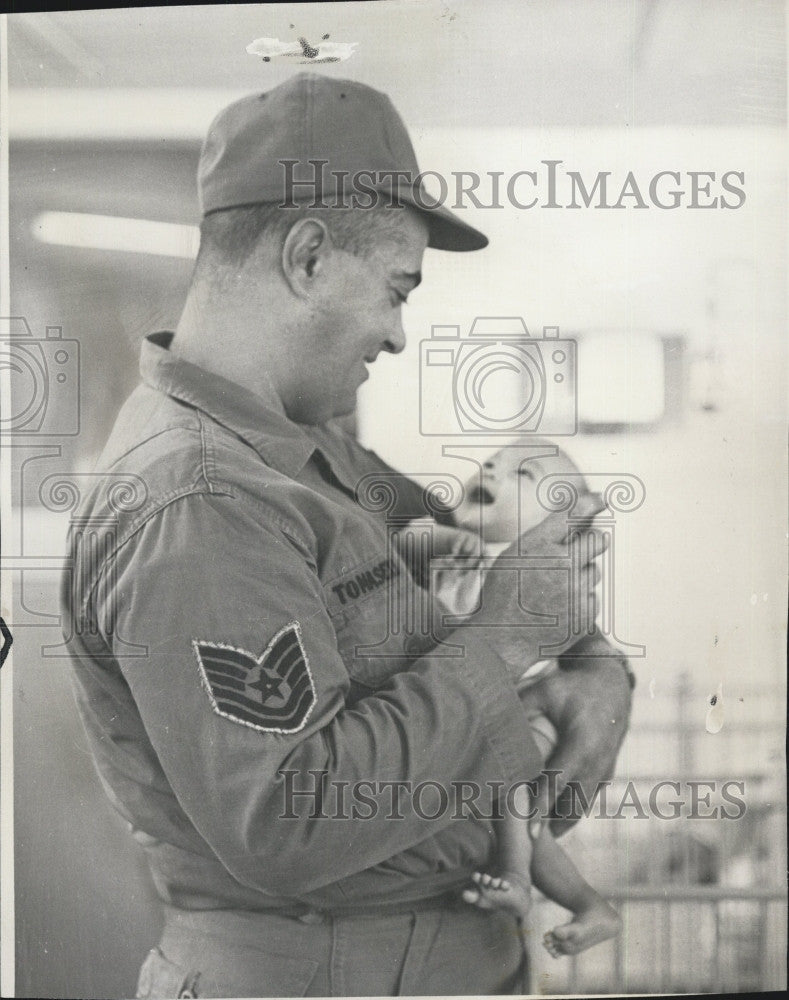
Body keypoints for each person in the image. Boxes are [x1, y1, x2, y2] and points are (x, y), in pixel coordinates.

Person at [62, 73, 634, 997]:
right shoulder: (196, 498)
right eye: (395, 290)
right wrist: (508, 644)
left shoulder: (308, 446)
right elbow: (288, 819)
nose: (399, 334)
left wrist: (601, 671)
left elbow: (504, 566)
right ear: (309, 257)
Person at [430, 439, 623, 958]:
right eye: (494, 460)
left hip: (527, 710)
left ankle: (519, 879)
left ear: (556, 526)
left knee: (517, 801)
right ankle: (588, 905)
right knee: (523, 814)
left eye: (526, 475)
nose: (493, 465)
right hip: (485, 709)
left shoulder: (542, 574)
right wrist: (436, 541)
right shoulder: (446, 548)